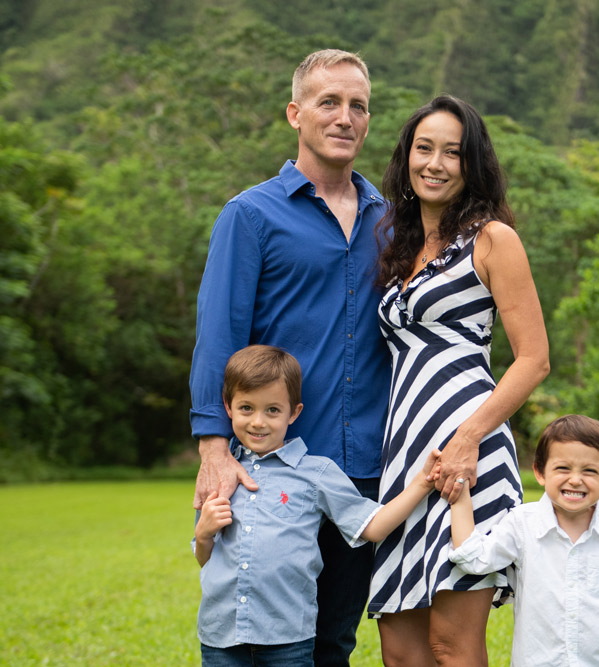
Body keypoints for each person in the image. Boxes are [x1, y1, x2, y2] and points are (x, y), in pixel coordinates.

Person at [188, 50, 390, 665]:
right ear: (295, 114)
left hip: (365, 466)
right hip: (271, 470)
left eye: (358, 105)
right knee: (261, 635)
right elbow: (219, 335)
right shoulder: (250, 215)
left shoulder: (393, 221)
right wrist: (214, 449)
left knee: (333, 641)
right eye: (329, 102)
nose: (345, 117)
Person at [367, 95, 550, 667]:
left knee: (452, 645)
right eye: (425, 148)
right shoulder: (397, 245)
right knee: (399, 650)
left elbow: (534, 360)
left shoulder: (493, 239)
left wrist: (468, 438)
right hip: (405, 461)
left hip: (468, 455)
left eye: (454, 152)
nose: (436, 163)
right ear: (407, 156)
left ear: (472, 166)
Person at [194, 345, 440, 667]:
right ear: (228, 407)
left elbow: (373, 525)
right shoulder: (220, 475)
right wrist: (203, 533)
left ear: (293, 413)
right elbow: (204, 558)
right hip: (221, 635)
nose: (258, 422)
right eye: (246, 408)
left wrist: (422, 482)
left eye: (272, 410)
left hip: (287, 638)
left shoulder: (316, 472)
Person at [449, 414, 599, 667]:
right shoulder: (522, 524)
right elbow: (475, 558)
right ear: (540, 472)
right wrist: (460, 496)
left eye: (590, 471)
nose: (576, 479)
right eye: (563, 468)